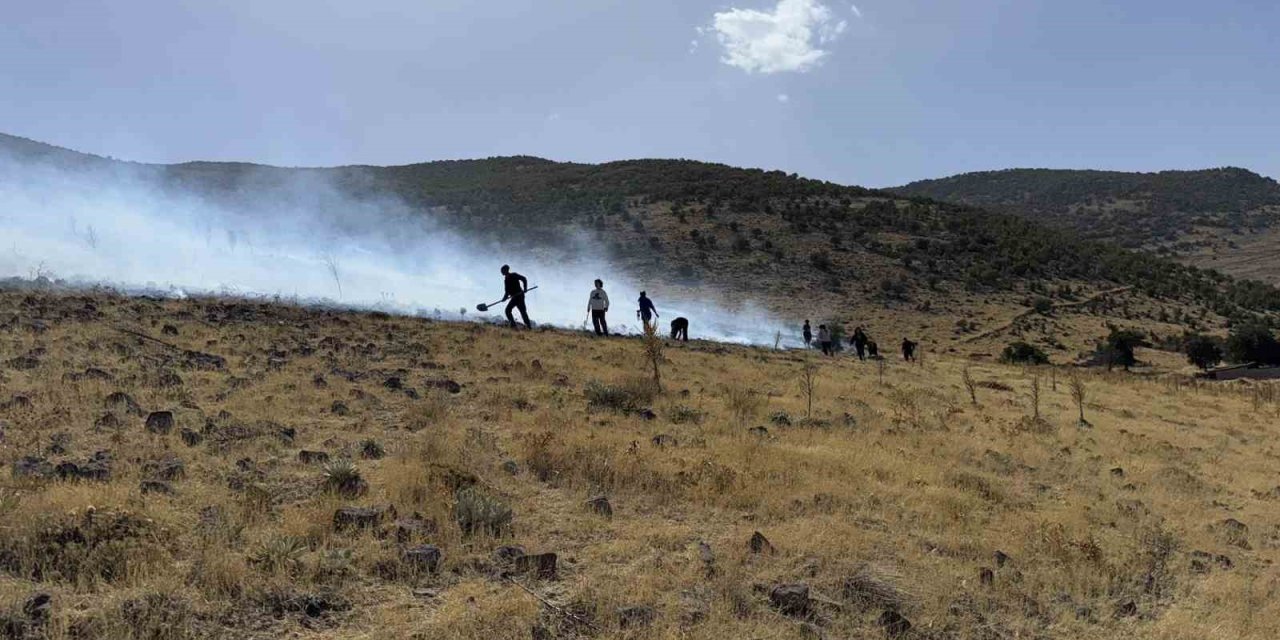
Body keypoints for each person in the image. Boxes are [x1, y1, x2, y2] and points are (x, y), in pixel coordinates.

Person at [499, 265, 531, 329]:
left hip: (519, 296)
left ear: (506, 270)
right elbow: (507, 291)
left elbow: (524, 279)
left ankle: (526, 326)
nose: (501, 272)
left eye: (502, 270)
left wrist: (525, 288)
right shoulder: (506, 280)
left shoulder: (514, 275)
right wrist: (504, 298)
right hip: (514, 297)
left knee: (520, 311)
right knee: (510, 310)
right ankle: (514, 325)